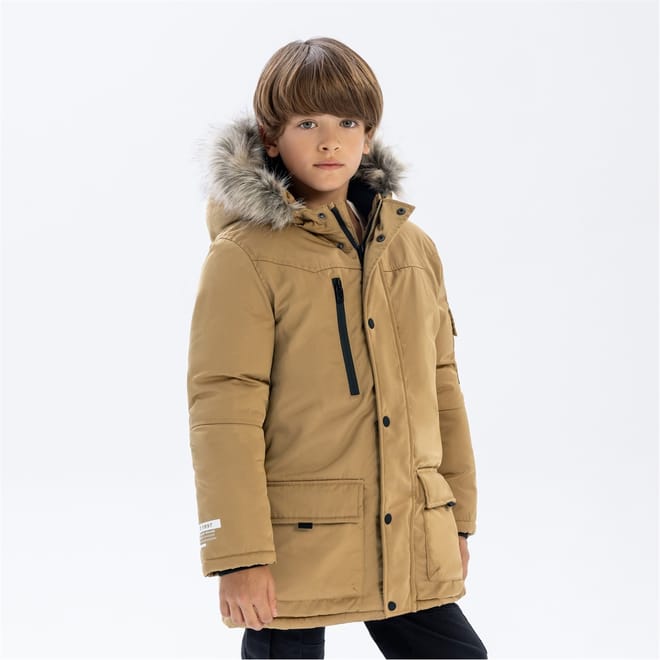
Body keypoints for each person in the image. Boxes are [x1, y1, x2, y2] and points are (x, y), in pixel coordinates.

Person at [187, 37, 488, 659]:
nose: (330, 142)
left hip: (409, 528)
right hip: (294, 543)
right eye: (307, 124)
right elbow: (224, 411)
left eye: (347, 122)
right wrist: (238, 554)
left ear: (369, 136)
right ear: (271, 138)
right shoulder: (246, 256)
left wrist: (454, 517)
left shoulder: (412, 249)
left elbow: (442, 387)